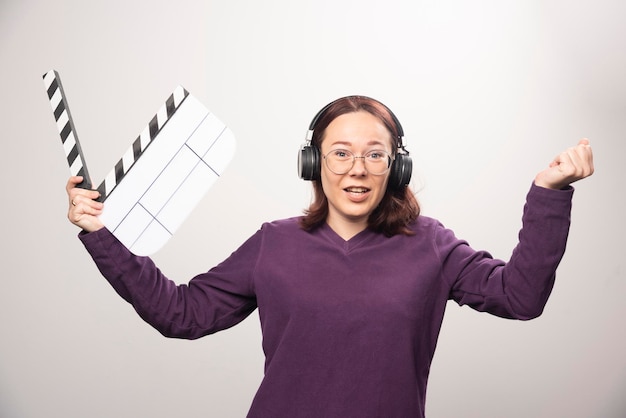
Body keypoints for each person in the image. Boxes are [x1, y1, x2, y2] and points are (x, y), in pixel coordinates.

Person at [65, 96, 594, 418]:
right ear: (313, 163)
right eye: (339, 153)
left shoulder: (431, 246)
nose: (356, 169)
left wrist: (549, 192)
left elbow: (520, 297)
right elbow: (181, 314)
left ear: (396, 167)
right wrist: (100, 233)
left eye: (374, 154)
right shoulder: (274, 243)